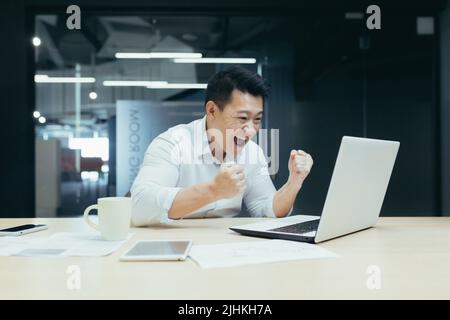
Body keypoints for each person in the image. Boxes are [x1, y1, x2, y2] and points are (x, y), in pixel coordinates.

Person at [131, 66, 313, 226]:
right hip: (172, 246)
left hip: (222, 248)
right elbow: (139, 206)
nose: (251, 131)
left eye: (257, 119)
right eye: (242, 118)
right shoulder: (172, 142)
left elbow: (267, 210)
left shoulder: (252, 152)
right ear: (211, 110)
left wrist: (294, 182)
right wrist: (213, 190)